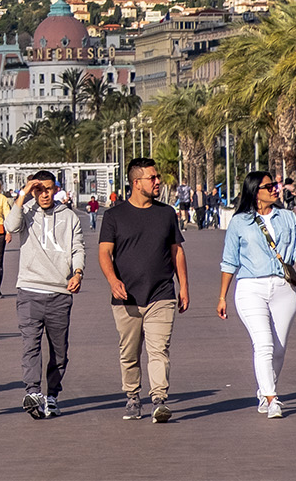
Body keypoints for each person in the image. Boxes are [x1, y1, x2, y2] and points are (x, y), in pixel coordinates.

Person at [217, 170, 296, 418]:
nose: (275, 189)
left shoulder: (287, 217)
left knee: (279, 349)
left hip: (283, 288)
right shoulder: (240, 222)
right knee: (264, 344)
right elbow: (229, 262)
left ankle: (264, 390)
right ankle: (272, 399)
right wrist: (222, 297)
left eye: (275, 185)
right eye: (269, 186)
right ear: (255, 192)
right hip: (251, 288)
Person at [99, 157, 189, 422]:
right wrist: (113, 281)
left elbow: (177, 251)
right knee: (129, 353)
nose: (158, 181)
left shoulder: (166, 213)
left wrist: (184, 286)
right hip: (126, 297)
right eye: (153, 178)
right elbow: (105, 252)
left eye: (157, 177)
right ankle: (132, 396)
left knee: (159, 349)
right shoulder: (114, 215)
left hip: (162, 293)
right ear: (137, 183)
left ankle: (159, 399)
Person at [5, 170, 86, 419]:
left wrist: (78, 272)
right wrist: (23, 195)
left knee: (59, 351)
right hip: (29, 289)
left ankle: (51, 395)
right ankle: (33, 392)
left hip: (60, 292)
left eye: (48, 188)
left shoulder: (69, 216)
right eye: (39, 189)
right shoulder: (26, 212)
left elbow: (77, 246)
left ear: (56, 189)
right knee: (30, 345)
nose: (44, 194)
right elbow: (10, 226)